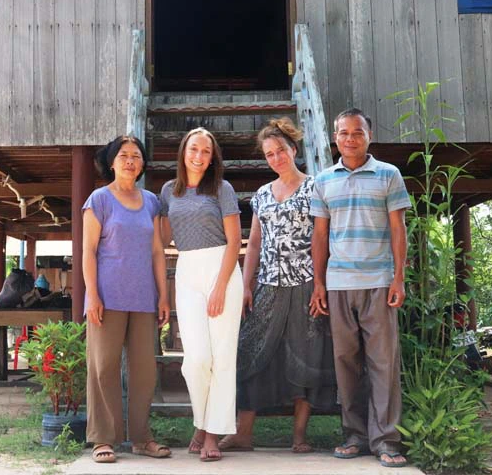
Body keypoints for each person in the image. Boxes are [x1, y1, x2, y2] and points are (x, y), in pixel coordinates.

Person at [220, 118, 336, 454]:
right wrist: (245, 284)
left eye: (280, 151)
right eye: (269, 154)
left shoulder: (315, 187)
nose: (276, 158)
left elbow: (320, 237)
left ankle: (299, 435)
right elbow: (253, 243)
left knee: (305, 355)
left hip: (303, 284)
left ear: (293, 149)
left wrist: (319, 283)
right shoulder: (261, 195)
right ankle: (244, 433)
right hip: (268, 285)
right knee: (252, 353)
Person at [309, 108, 411, 467]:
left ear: (369, 135)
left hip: (379, 283)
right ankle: (353, 436)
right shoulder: (323, 181)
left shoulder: (388, 175)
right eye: (343, 133)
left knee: (383, 362)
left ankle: (386, 440)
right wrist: (319, 282)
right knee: (345, 363)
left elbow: (399, 230)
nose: (349, 138)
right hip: (338, 284)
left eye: (357, 132)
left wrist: (399, 277)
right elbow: (319, 235)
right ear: (335, 137)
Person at [83, 135, 172, 464]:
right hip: (107, 296)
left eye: (136, 156)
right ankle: (103, 439)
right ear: (112, 162)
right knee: (103, 367)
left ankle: (141, 437)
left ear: (143, 163)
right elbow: (88, 251)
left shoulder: (151, 201)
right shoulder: (99, 199)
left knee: (144, 371)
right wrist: (92, 294)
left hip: (144, 297)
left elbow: (157, 251)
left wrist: (163, 294)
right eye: (124, 156)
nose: (131, 161)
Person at [159, 127, 243, 462]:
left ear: (212, 158)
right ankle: (201, 419)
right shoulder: (168, 191)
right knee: (196, 360)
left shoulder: (222, 189)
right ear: (183, 151)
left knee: (222, 357)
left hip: (221, 268)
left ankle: (210, 432)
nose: (199, 156)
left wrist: (221, 285)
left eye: (206, 151)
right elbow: (162, 238)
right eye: (194, 149)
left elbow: (235, 241)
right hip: (188, 270)